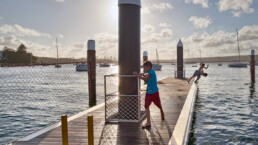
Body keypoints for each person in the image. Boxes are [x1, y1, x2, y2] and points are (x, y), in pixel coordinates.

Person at [133, 61, 165, 128]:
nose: (144, 69)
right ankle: (148, 122)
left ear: (149, 67)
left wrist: (137, 76)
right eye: (144, 67)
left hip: (154, 92)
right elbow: (146, 75)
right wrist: (141, 74)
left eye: (145, 67)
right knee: (146, 106)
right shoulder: (149, 72)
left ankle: (161, 111)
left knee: (158, 104)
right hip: (148, 93)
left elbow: (146, 79)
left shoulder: (152, 71)